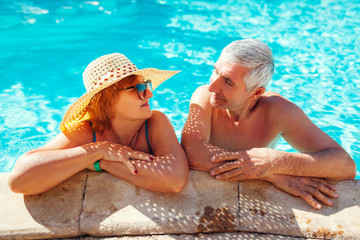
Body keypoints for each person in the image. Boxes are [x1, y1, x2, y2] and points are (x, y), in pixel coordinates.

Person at [181, 39, 356, 209]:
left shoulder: (278, 112)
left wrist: (277, 161)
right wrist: (271, 174)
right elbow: (192, 152)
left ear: (256, 92)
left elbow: (345, 166)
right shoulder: (204, 96)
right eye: (215, 71)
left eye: (228, 81)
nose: (212, 86)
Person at [9, 53, 189, 195]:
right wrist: (99, 150)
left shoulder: (154, 123)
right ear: (106, 101)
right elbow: (19, 179)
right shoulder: (87, 131)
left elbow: (176, 180)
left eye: (146, 85)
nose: (149, 94)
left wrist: (101, 163)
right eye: (138, 88)